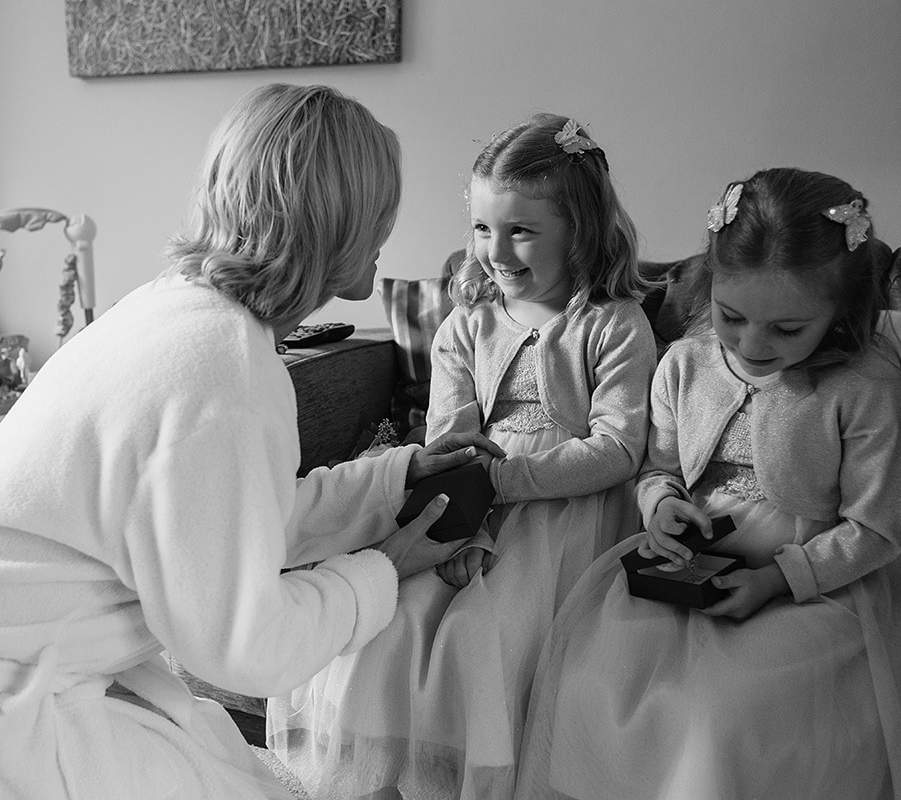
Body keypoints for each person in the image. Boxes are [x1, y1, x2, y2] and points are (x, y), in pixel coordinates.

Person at [0, 83, 504, 800]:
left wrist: (393, 480)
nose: (386, 236)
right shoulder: (225, 371)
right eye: (380, 217)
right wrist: (383, 572)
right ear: (339, 226)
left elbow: (232, 526)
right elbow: (247, 648)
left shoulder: (171, 310)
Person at [515, 167, 901, 800]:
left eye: (787, 328)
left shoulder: (865, 385)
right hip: (693, 561)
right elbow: (657, 467)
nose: (751, 343)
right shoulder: (684, 363)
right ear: (710, 290)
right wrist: (660, 506)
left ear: (840, 310)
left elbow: (875, 527)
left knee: (725, 711)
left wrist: (778, 580)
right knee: (597, 684)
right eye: (731, 316)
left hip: (819, 580)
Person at [268, 113, 656, 799]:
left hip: (564, 514)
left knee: (486, 633)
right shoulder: (466, 322)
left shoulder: (612, 323)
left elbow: (619, 447)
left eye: (522, 230)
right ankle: (397, 779)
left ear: (581, 229)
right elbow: (448, 438)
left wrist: (504, 482)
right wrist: (465, 521)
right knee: (394, 622)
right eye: (483, 228)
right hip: (468, 501)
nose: (496, 252)